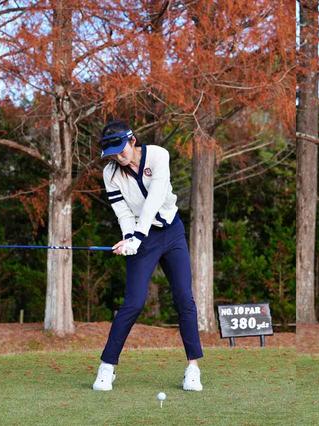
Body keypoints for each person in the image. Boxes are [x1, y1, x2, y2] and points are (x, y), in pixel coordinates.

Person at [92, 120, 203, 392]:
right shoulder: (110, 174)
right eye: (113, 154)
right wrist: (129, 238)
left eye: (122, 150)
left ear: (132, 141)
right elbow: (122, 212)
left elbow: (155, 198)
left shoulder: (158, 156)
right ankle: (107, 367)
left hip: (172, 232)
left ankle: (193, 369)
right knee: (133, 302)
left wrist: (137, 236)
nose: (119, 157)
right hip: (143, 237)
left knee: (184, 298)